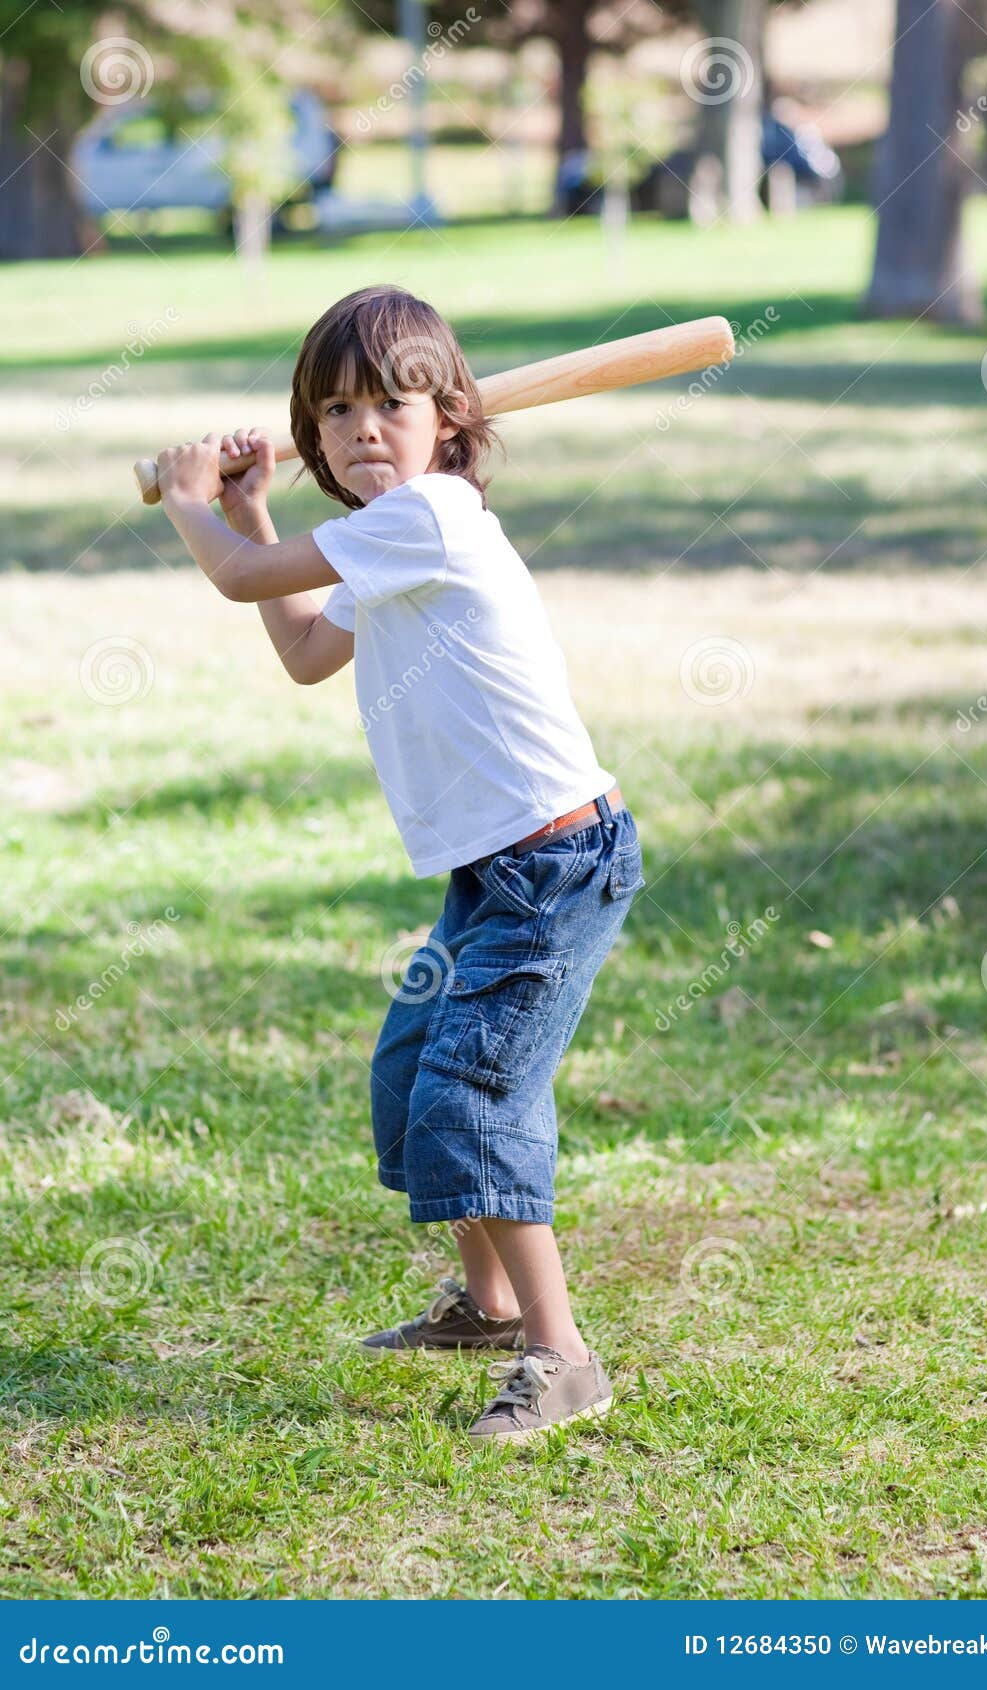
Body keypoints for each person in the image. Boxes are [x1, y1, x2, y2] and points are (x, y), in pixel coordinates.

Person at [155, 284, 646, 1445]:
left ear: (449, 419)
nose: (361, 427)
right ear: (312, 435)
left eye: (390, 401)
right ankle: (485, 1305)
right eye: (333, 410)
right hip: (492, 872)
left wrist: (193, 507)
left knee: (471, 1097)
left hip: (557, 864)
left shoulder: (432, 515)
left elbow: (230, 580)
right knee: (410, 1082)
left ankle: (562, 1354)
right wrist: (255, 515)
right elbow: (305, 650)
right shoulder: (390, 539)